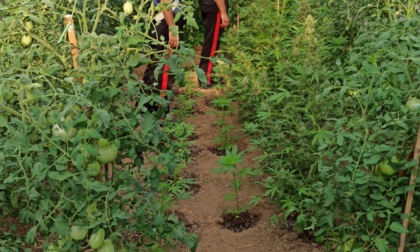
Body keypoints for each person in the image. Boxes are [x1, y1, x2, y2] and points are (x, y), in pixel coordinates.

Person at [142, 0, 185, 116]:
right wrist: (172, 27)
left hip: (163, 20)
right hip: (166, 22)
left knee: (155, 67)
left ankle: (146, 110)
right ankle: (159, 115)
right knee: (164, 70)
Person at [198, 0, 229, 88]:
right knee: (212, 45)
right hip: (215, 9)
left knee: (210, 43)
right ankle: (205, 78)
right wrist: (223, 12)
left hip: (209, 6)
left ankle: (208, 74)